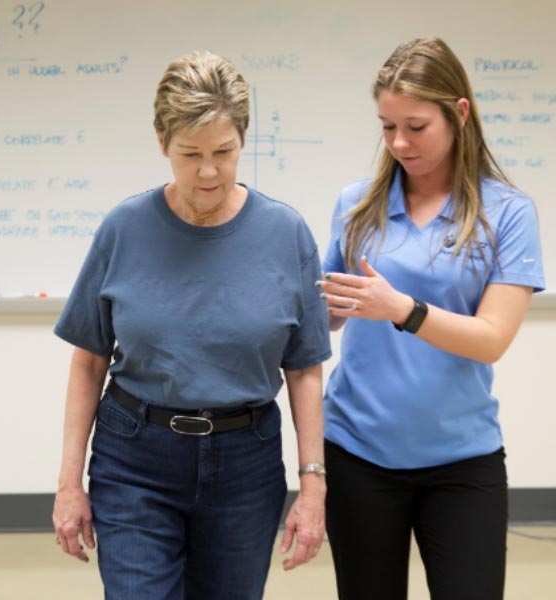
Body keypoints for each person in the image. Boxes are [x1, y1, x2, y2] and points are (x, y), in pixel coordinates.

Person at [51, 51, 331, 599]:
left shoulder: (286, 234)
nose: (209, 172)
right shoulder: (123, 229)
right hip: (135, 459)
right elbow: (88, 361)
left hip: (245, 462)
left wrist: (313, 485)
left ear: (243, 140)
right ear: (163, 145)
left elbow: (304, 370)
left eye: (224, 153)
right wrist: (68, 485)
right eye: (191, 154)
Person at [316, 38, 545, 600]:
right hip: (357, 452)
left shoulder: (508, 214)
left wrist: (403, 310)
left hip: (462, 461)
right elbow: (326, 316)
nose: (399, 142)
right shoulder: (356, 205)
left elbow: (491, 340)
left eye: (415, 127)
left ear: (459, 113)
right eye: (387, 126)